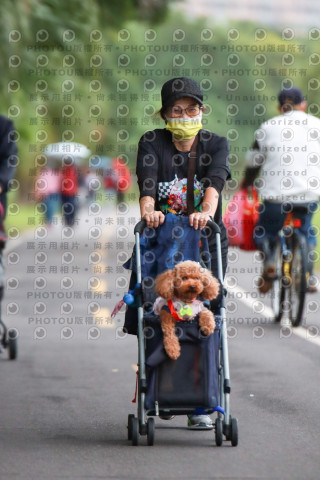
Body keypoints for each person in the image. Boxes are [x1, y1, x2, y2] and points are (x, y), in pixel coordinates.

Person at [135, 77, 231, 429]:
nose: (185, 115)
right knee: (155, 311)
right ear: (164, 114)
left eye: (192, 109)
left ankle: (203, 403)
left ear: (201, 111)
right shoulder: (152, 141)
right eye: (177, 110)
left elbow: (215, 184)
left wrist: (204, 212)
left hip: (204, 241)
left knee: (207, 316)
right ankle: (160, 389)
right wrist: (149, 211)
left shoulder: (215, 143)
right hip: (160, 243)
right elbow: (147, 182)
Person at [242, 86, 320, 293]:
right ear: (303, 105)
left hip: (275, 197)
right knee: (306, 231)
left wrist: (247, 183)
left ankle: (269, 261)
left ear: (279, 107)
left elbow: (253, 161)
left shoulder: (267, 127)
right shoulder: (317, 125)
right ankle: (308, 275)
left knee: (265, 231)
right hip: (309, 195)